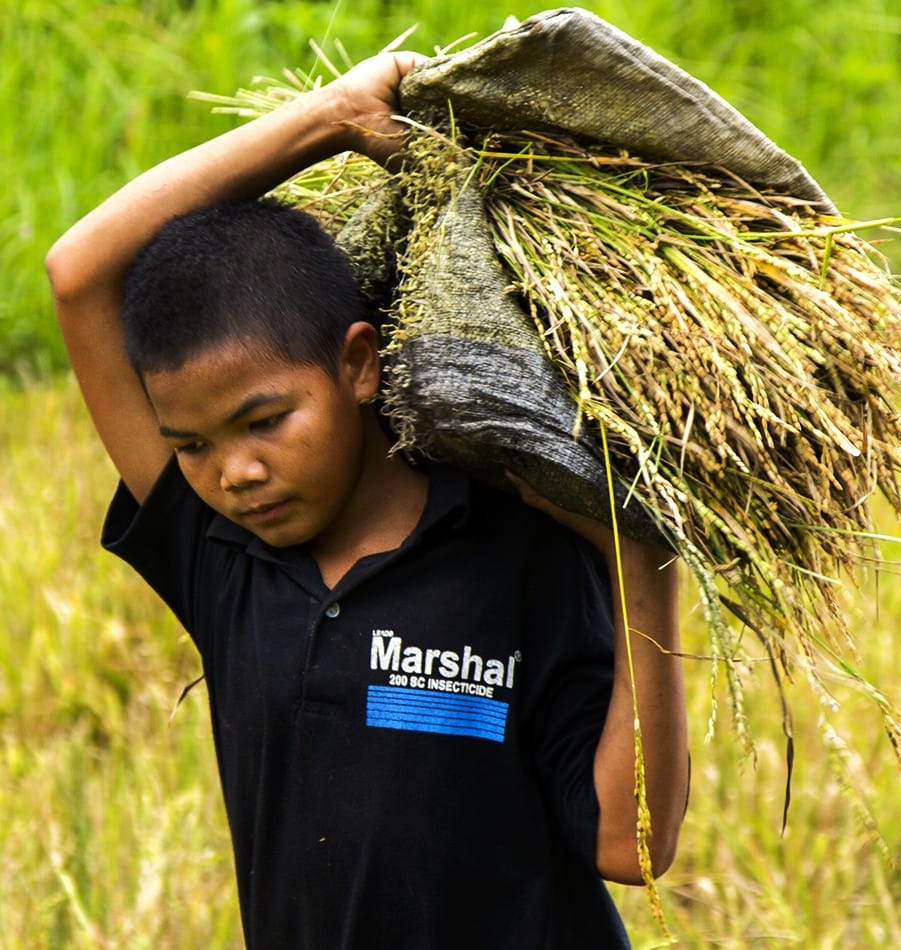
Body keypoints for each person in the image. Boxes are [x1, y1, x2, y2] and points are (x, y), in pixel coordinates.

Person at [46, 52, 689, 949]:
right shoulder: (221, 559)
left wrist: (640, 570)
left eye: (263, 421)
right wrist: (331, 119)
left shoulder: (513, 545)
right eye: (190, 446)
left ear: (358, 364)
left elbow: (630, 845)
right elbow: (78, 272)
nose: (233, 473)